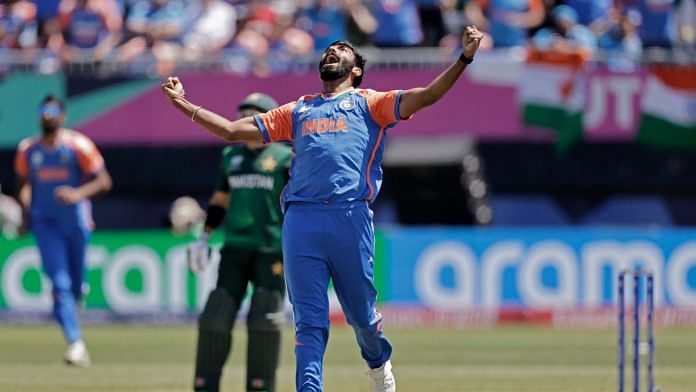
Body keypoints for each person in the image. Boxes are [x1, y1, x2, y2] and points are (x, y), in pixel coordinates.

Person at [162, 26, 483, 392]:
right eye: (328, 49)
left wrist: (465, 57)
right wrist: (184, 105)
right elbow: (232, 131)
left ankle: (378, 364)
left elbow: (426, 96)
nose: (332, 52)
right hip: (301, 220)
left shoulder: (370, 103)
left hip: (350, 216)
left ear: (356, 69)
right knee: (310, 323)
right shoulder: (298, 109)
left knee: (362, 319)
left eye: (341, 50)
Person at [187, 93, 292, 392]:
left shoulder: (285, 158)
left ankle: (261, 386)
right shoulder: (230, 157)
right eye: (243, 115)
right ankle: (205, 385)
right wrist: (204, 236)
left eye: (253, 115)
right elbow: (221, 199)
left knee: (264, 317)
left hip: (271, 248)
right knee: (216, 315)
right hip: (234, 247)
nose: (246, 121)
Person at [14, 94, 112, 367]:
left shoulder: (77, 145)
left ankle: (75, 299)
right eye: (44, 110)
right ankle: (76, 344)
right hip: (45, 223)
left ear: (62, 116)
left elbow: (104, 182)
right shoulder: (28, 150)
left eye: (53, 111)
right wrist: (25, 212)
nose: (48, 115)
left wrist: (77, 193)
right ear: (38, 115)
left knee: (75, 286)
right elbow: (23, 183)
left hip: (77, 221)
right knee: (60, 283)